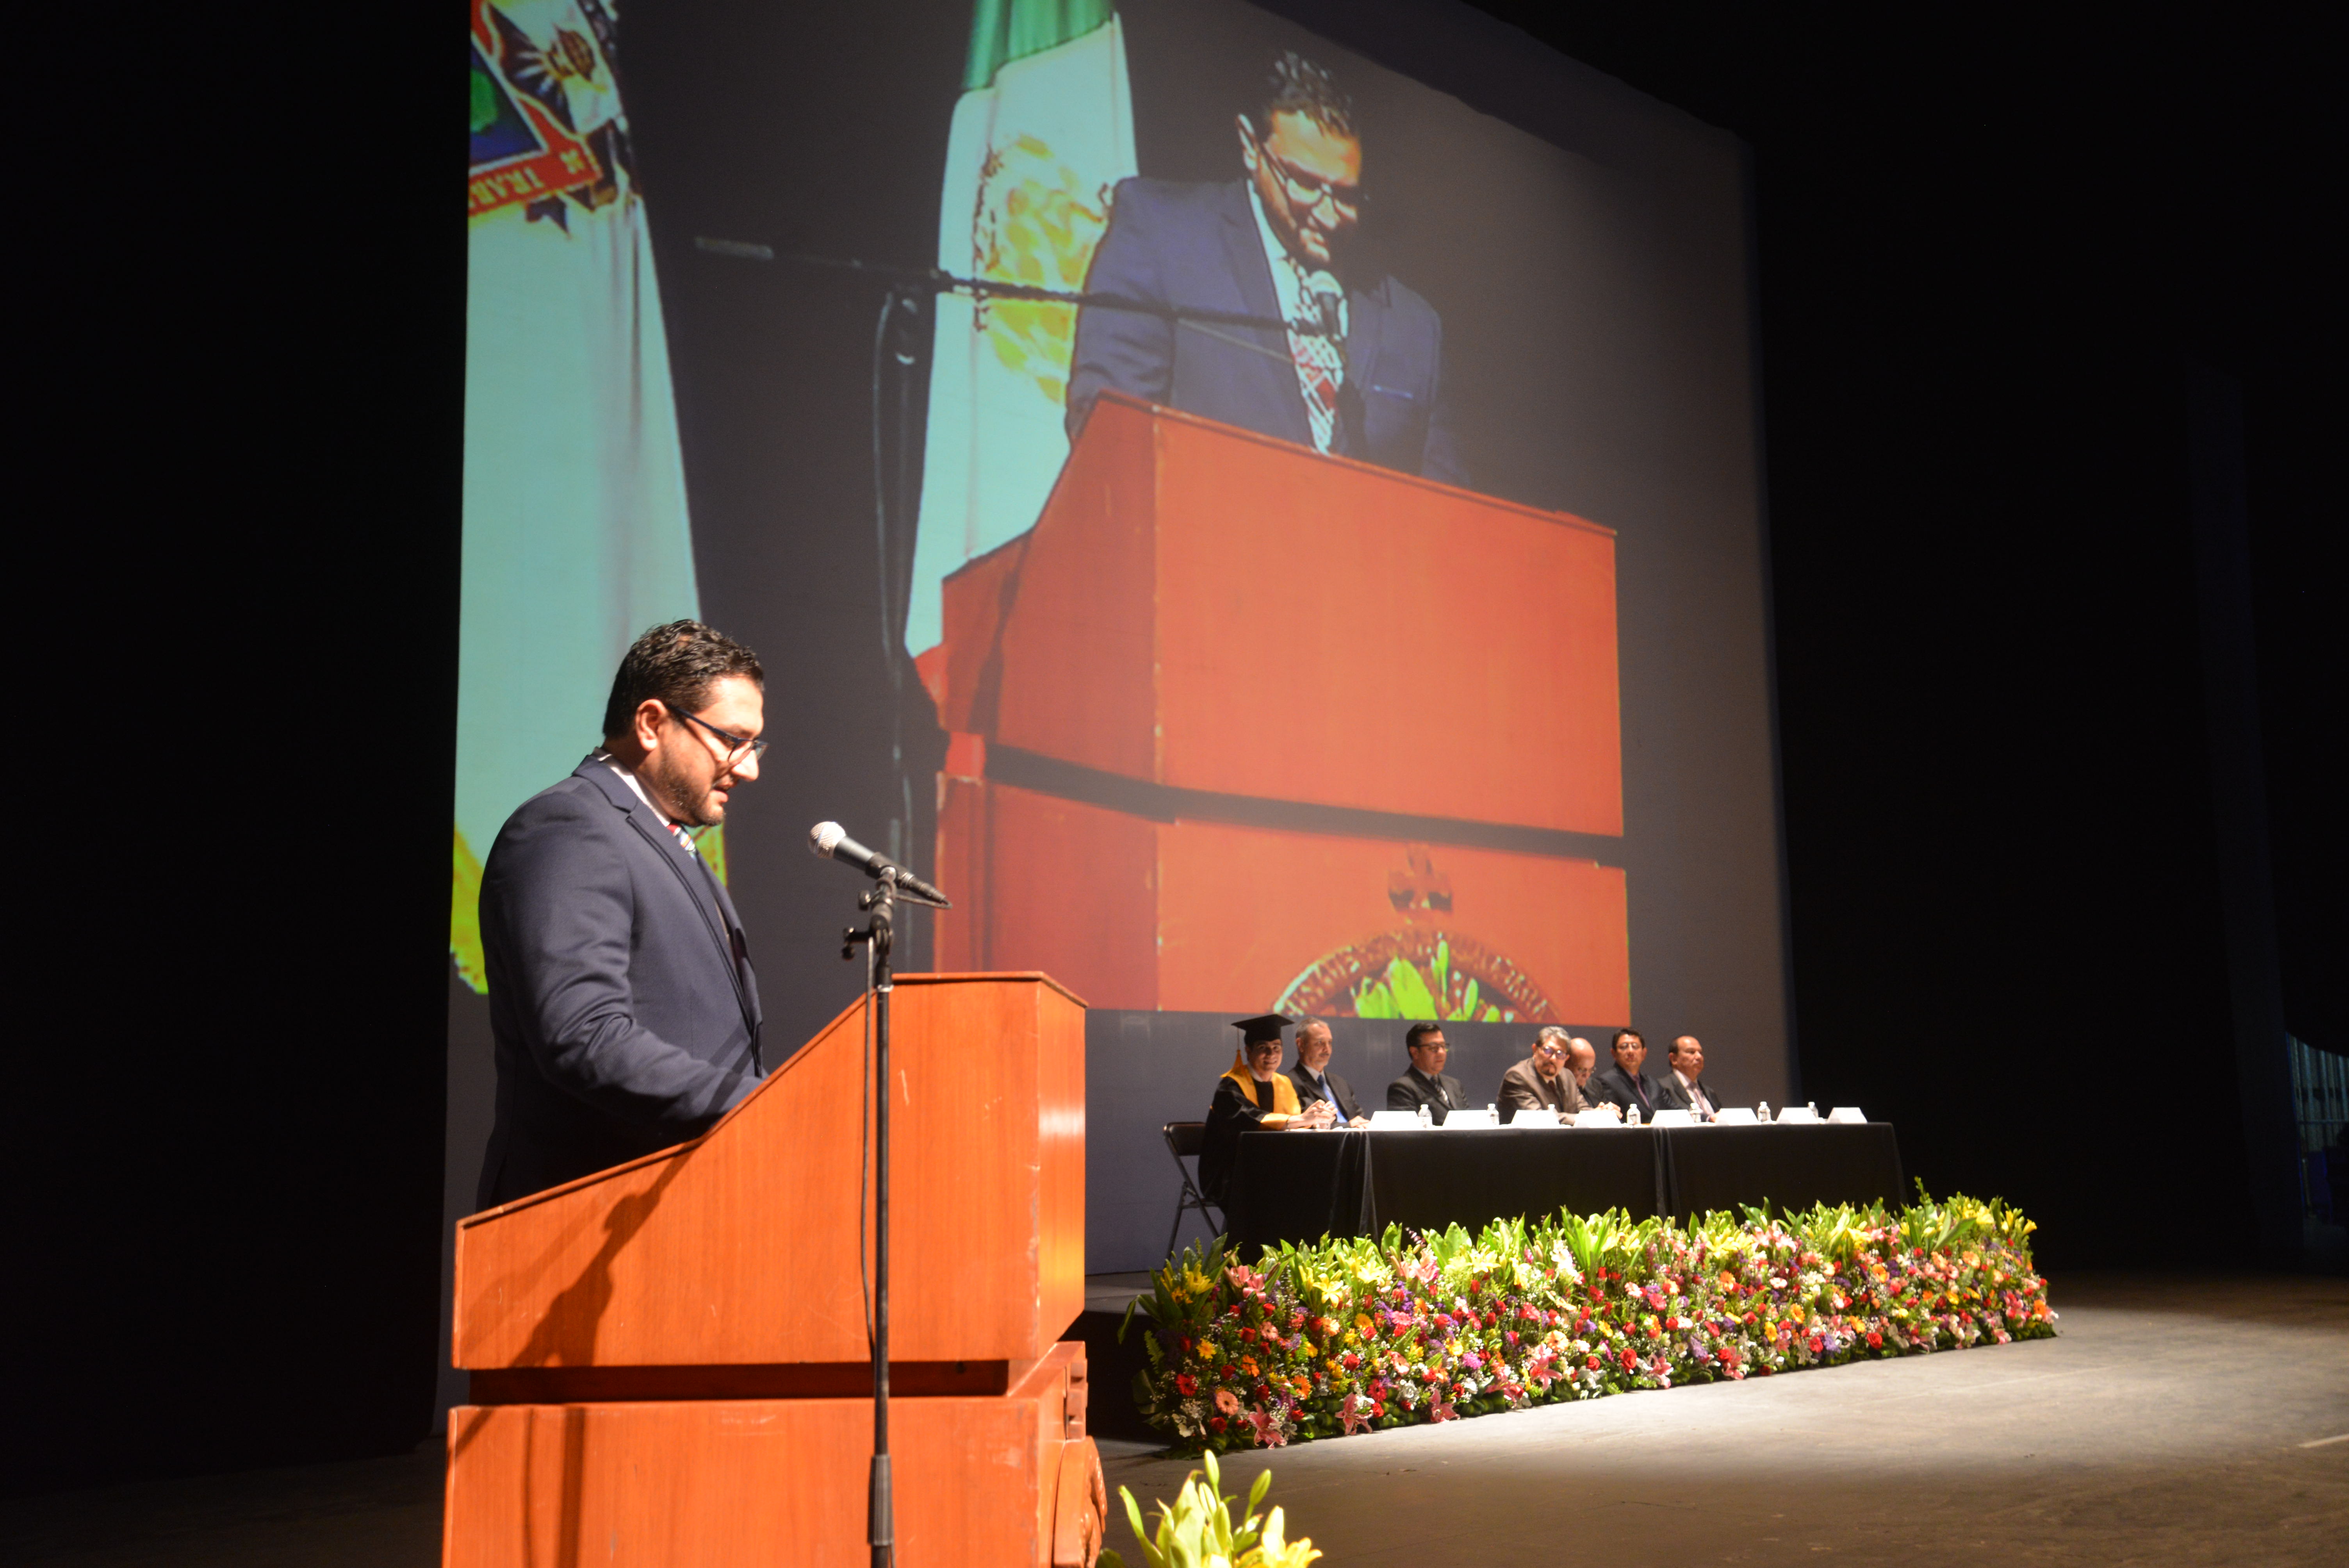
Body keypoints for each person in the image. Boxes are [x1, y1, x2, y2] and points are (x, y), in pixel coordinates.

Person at [476, 620, 769, 1207]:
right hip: (581, 1225)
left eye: (755, 745)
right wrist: (759, 1107)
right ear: (652, 724)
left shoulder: (660, 839)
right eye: (732, 739)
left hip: (682, 1217)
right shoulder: (570, 828)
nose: (748, 768)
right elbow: (583, 1034)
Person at [1066, 51, 1463, 485]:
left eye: (1346, 196)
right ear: (1250, 147)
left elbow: (1444, 511)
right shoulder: (1163, 235)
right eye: (1306, 185)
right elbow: (1108, 434)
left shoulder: (1415, 327)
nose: (1329, 216)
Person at [1200, 1014, 1335, 1204]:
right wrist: (1300, 1120)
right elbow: (1250, 1118)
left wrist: (1319, 1117)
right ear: (1248, 1050)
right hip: (1232, 1173)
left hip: (1272, 1167)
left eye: (1276, 1048)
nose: (1271, 1055)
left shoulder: (1284, 1083)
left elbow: (1300, 1119)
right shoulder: (1231, 1087)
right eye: (1263, 1048)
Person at [1285, 1018, 1369, 1126]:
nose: (1327, 1049)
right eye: (1320, 1043)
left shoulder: (1340, 1083)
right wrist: (1348, 1126)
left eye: (1330, 1043)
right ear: (1301, 1045)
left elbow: (1359, 1119)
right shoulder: (1289, 1083)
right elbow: (1309, 1125)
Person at [1386, 1023, 1469, 1124]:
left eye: (1443, 1046)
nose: (1442, 1052)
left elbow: (1469, 1123)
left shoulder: (1455, 1085)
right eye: (1434, 1048)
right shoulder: (1402, 1088)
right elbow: (1407, 1134)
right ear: (1415, 1052)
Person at [1497, 1026, 1586, 1121]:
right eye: (1548, 1050)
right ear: (1535, 1050)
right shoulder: (1517, 1077)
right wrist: (1581, 1118)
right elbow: (1539, 1120)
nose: (1553, 1058)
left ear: (1566, 1058)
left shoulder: (1567, 1076)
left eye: (1560, 1054)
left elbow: (1583, 1109)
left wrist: (1598, 1114)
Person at [1586, 1028, 1660, 1123]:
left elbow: (1674, 1110)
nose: (1630, 1051)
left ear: (1644, 1053)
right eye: (1624, 1047)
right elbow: (1613, 1118)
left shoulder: (1652, 1083)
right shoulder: (1607, 1082)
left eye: (1635, 1046)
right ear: (1614, 1053)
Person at [1652, 1035, 1719, 1121]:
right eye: (1691, 1052)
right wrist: (1708, 1119)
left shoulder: (1709, 1092)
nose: (1699, 1057)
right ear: (1674, 1059)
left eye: (1701, 1053)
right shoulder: (1662, 1088)